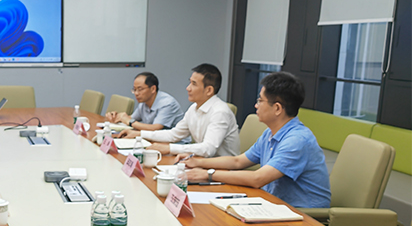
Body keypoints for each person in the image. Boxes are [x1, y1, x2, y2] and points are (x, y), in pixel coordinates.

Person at [185, 72, 331, 209]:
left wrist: (208, 174)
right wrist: (197, 162)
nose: (256, 105)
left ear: (277, 108)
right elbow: (238, 162)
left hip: (303, 214)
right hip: (273, 203)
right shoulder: (270, 133)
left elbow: (257, 178)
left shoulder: (297, 140)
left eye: (260, 100)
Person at [118, 64, 239, 157]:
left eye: (194, 84)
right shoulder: (194, 108)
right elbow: (174, 134)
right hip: (202, 163)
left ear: (209, 90)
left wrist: (169, 148)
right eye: (189, 82)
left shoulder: (220, 112)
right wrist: (139, 134)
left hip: (223, 170)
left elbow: (208, 149)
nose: (188, 88)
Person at [105, 72, 184, 131]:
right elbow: (130, 118)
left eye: (140, 89)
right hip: (156, 140)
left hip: (176, 144)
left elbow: (155, 128)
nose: (136, 93)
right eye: (134, 89)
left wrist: (130, 121)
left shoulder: (167, 103)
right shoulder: (143, 103)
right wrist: (116, 117)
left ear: (153, 89)